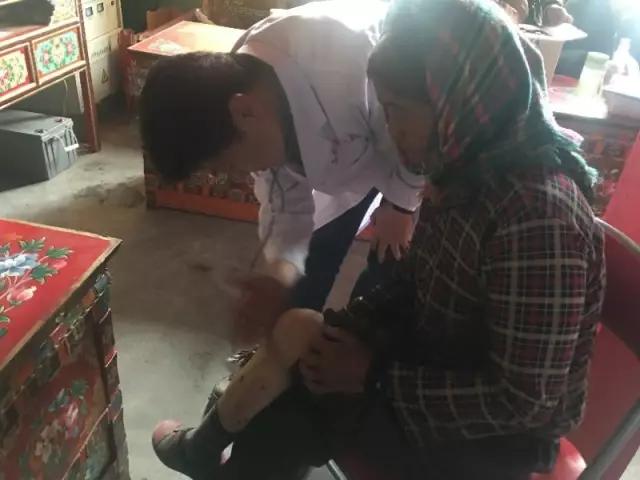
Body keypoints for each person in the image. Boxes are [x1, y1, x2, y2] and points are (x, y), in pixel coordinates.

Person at [151, 0, 606, 478]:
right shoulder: (460, 178)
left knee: (289, 409)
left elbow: (525, 405)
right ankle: (210, 452)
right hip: (439, 363)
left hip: (492, 440)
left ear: (457, 100)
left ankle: (213, 454)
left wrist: (374, 376)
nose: (390, 131)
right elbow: (413, 283)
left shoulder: (536, 217)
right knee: (301, 341)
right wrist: (342, 332)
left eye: (398, 111)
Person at [140, 1, 423, 340]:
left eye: (229, 164)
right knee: (314, 259)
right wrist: (277, 279)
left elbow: (421, 134)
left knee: (391, 265)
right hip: (356, 153)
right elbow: (288, 211)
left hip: (419, 133)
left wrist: (401, 204)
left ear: (244, 111)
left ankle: (365, 346)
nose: (237, 175)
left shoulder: (351, 60)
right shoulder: (251, 101)